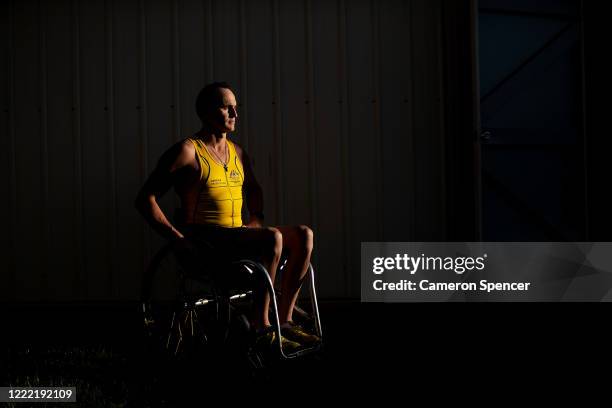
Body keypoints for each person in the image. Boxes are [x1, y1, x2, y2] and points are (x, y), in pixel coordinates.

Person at [135, 81, 319, 352]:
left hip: (236, 236)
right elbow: (145, 199)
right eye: (226, 107)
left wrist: (255, 218)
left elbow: (254, 188)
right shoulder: (187, 151)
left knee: (304, 234)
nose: (235, 114)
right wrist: (176, 238)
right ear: (207, 112)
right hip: (206, 242)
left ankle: (285, 320)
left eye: (236, 107)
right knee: (272, 238)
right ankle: (261, 327)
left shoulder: (237, 152)